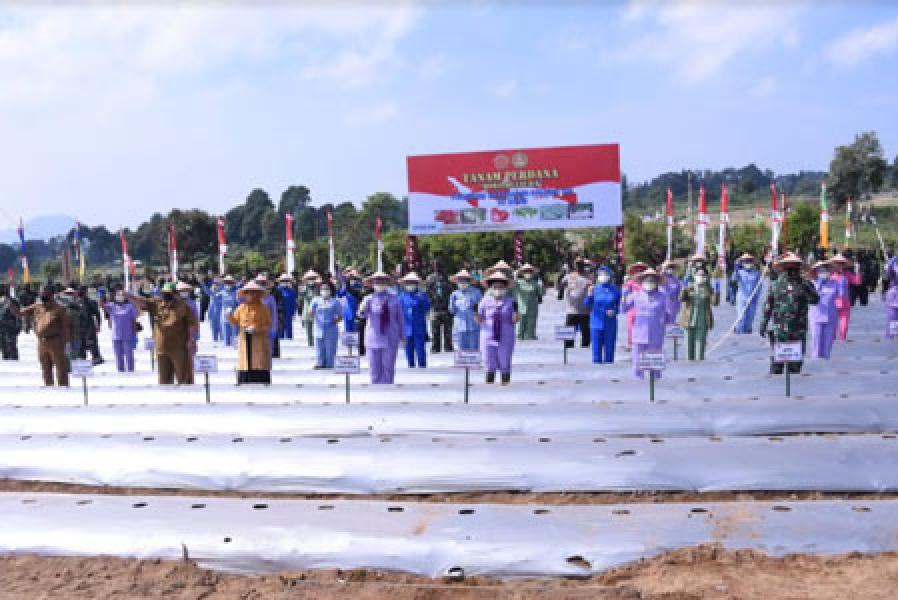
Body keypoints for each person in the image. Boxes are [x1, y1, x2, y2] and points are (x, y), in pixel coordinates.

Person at [759, 252, 819, 375]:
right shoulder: (775, 285)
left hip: (798, 330)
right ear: (783, 268)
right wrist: (763, 324)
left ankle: (793, 391)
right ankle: (776, 392)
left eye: (794, 267)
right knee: (777, 364)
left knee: (795, 366)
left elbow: (815, 300)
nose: (791, 270)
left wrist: (807, 284)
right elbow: (768, 306)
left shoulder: (804, 285)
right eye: (788, 267)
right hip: (780, 330)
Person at [127, 282, 198, 385]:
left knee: (184, 376)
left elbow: (192, 324)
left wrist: (191, 340)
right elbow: (142, 302)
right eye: (164, 293)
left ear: (175, 294)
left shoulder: (183, 306)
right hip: (161, 348)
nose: (166, 295)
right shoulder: (157, 303)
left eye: (169, 293)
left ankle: (185, 397)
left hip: (179, 347)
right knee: (164, 379)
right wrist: (129, 296)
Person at [10, 285, 72, 386]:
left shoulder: (60, 309)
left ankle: (63, 389)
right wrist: (9, 304)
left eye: (45, 292)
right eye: (41, 292)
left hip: (56, 342)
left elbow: (67, 327)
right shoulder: (37, 306)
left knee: (61, 368)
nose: (42, 294)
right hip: (42, 342)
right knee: (45, 368)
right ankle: (49, 388)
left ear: (52, 294)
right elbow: (20, 313)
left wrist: (68, 343)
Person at [620, 269, 670, 379]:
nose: (649, 282)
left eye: (652, 280)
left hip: (656, 335)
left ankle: (656, 390)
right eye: (647, 280)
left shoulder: (662, 296)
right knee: (637, 365)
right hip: (639, 334)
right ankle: (638, 390)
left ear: (656, 282)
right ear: (642, 281)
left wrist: (662, 324)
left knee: (655, 368)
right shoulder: (636, 295)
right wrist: (624, 296)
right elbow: (623, 309)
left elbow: (668, 315)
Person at [358, 272, 404, 384]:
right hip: (373, 337)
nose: (380, 284)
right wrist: (362, 309)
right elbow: (361, 315)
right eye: (377, 282)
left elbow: (400, 319)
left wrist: (402, 336)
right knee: (374, 368)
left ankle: (388, 391)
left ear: (387, 284)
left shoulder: (395, 299)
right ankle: (375, 391)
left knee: (388, 367)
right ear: (373, 284)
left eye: (382, 282)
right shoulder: (368, 299)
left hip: (390, 337)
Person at [477, 271, 519, 384]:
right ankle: (489, 388)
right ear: (490, 288)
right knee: (489, 362)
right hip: (488, 336)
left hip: (505, 336)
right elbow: (479, 319)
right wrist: (475, 314)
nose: (498, 289)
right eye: (495, 287)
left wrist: (515, 312)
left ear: (505, 288)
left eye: (501, 287)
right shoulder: (484, 301)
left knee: (505, 362)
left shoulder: (510, 301)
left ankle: (505, 386)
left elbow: (515, 320)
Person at [228, 281, 272, 384]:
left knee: (259, 359)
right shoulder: (241, 307)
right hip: (244, 335)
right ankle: (245, 379)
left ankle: (259, 378)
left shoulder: (263, 308)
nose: (251, 295)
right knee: (245, 357)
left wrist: (256, 328)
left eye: (253, 292)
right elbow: (235, 321)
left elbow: (267, 324)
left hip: (258, 338)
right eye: (248, 293)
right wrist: (229, 316)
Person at [678, 267, 716, 361]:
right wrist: (684, 287)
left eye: (703, 275)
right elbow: (681, 298)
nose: (701, 277)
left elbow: (714, 302)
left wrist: (716, 292)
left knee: (700, 347)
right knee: (688, 347)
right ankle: (689, 369)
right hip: (689, 320)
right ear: (694, 276)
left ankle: (700, 368)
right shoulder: (690, 287)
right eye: (699, 274)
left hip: (702, 321)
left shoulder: (708, 288)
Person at [585, 265, 620, 364]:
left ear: (610, 275)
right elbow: (587, 304)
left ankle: (610, 375)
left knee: (609, 351)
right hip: (596, 323)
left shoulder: (615, 290)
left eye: (605, 274)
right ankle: (596, 374)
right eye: (601, 274)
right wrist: (589, 295)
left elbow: (620, 306)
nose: (603, 276)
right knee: (596, 351)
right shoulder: (594, 289)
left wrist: (615, 311)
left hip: (610, 324)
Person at [399, 272, 431, 368]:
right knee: (408, 350)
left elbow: (427, 308)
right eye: (408, 283)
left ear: (417, 284)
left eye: (412, 283)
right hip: (406, 328)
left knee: (420, 350)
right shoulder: (401, 296)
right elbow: (398, 312)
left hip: (419, 327)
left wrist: (422, 299)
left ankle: (422, 368)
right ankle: (411, 368)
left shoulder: (422, 295)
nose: (410, 285)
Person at [808, 260, 839, 360]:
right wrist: (819, 284)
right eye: (821, 270)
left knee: (828, 342)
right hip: (816, 316)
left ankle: (826, 359)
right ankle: (815, 358)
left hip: (830, 316)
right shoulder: (812, 283)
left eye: (825, 270)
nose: (823, 272)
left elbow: (840, 295)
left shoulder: (834, 283)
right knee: (816, 339)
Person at [103, 287, 139, 372]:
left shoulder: (130, 306)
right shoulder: (112, 306)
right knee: (118, 355)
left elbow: (133, 320)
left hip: (128, 333)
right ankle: (120, 370)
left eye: (121, 295)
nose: (119, 296)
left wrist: (134, 333)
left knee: (129, 354)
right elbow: (102, 305)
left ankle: (130, 370)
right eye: (118, 295)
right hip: (116, 334)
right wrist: (104, 295)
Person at [561, 258, 593, 349]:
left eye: (581, 264)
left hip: (585, 310)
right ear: (574, 265)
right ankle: (567, 353)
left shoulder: (589, 277)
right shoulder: (569, 276)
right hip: (571, 310)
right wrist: (562, 285)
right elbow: (560, 286)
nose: (579, 266)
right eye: (577, 264)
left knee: (586, 336)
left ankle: (585, 351)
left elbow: (593, 290)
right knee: (568, 338)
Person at [310, 280, 342, 369]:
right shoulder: (315, 300)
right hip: (318, 328)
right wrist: (312, 311)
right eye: (323, 289)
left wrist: (333, 321)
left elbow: (340, 315)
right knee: (319, 348)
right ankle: (319, 363)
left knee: (330, 349)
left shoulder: (335, 301)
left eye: (327, 289)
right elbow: (310, 313)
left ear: (330, 290)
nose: (324, 290)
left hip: (331, 329)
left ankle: (330, 364)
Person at [448, 269, 482, 351]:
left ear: (469, 281)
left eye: (464, 281)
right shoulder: (454, 294)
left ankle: (474, 364)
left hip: (473, 324)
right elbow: (451, 310)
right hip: (460, 325)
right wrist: (453, 304)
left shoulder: (476, 292)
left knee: (474, 349)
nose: (462, 283)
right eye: (460, 281)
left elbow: (481, 307)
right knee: (461, 350)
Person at [425, 262, 454, 353]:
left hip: (446, 309)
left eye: (439, 266)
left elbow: (452, 292)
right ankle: (435, 348)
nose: (437, 268)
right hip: (435, 308)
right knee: (434, 332)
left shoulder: (448, 278)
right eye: (435, 266)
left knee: (448, 333)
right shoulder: (429, 278)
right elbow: (427, 292)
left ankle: (448, 348)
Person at [830, 253, 860, 341]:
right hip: (836, 301)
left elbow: (856, 282)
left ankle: (839, 337)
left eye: (840, 264)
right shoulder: (833, 275)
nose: (839, 265)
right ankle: (838, 337)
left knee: (842, 321)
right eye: (837, 263)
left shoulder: (843, 274)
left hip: (840, 301)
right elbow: (857, 281)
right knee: (838, 321)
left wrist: (857, 271)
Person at [732, 254, 763, 334]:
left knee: (750, 316)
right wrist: (735, 267)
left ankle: (748, 329)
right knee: (741, 316)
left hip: (752, 298)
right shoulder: (740, 272)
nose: (747, 262)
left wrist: (757, 296)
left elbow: (759, 286)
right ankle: (739, 330)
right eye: (745, 261)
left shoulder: (756, 273)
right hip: (742, 297)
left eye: (749, 261)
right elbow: (734, 279)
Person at [622, 262, 649, 350]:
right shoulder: (630, 283)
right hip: (632, 308)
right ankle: (631, 344)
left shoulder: (648, 283)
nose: (639, 272)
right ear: (633, 272)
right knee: (631, 327)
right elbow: (624, 295)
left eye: (641, 270)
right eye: (637, 270)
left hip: (644, 310)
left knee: (644, 328)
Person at [514, 263, 544, 340]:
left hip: (533, 309)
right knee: (520, 329)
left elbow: (542, 293)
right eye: (525, 271)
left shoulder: (536, 283)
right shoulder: (518, 282)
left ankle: (531, 337)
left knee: (531, 329)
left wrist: (540, 281)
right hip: (521, 308)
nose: (528, 273)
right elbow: (511, 284)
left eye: (529, 271)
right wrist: (516, 273)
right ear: (522, 273)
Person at [253, 275, 279, 359]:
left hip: (267, 328)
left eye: (263, 283)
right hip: (255, 328)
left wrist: (274, 329)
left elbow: (274, 314)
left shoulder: (270, 298)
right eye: (259, 283)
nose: (261, 285)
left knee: (267, 352)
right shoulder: (252, 298)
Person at [213, 276, 239, 346]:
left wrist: (238, 299)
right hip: (224, 316)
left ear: (233, 283)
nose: (228, 284)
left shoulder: (236, 292)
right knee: (226, 341)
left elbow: (240, 303)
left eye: (230, 282)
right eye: (227, 282)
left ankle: (236, 347)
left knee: (235, 337)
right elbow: (213, 296)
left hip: (234, 316)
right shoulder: (222, 292)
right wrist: (214, 289)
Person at [299, 270, 321, 347]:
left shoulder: (319, 288)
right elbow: (300, 298)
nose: (311, 280)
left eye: (313, 278)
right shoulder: (304, 288)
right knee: (308, 328)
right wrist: (302, 289)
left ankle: (319, 343)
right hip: (307, 310)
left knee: (318, 328)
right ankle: (310, 343)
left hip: (317, 310)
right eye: (309, 278)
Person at [0, 284, 21, 360]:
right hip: (1, 327)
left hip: (11, 327)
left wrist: (19, 326)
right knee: (3, 348)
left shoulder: (14, 301)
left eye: (5, 289)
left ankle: (15, 364)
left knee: (12, 346)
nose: (3, 291)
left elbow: (19, 314)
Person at [658, 260, 682, 326]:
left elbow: (679, 293)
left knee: (672, 325)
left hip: (674, 305)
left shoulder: (676, 280)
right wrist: (663, 268)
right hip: (663, 304)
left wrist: (678, 305)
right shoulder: (661, 277)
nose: (670, 269)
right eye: (668, 267)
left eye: (671, 268)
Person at [882, 256, 898, 339]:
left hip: (893, 296)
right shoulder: (893, 264)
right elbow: (888, 273)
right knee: (892, 322)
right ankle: (891, 338)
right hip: (893, 298)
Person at [204, 278, 223, 342]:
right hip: (212, 315)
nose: (215, 285)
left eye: (217, 284)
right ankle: (215, 340)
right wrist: (201, 282)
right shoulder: (211, 293)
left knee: (222, 330)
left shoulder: (222, 293)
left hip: (221, 315)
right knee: (214, 330)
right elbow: (206, 290)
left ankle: (223, 341)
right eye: (214, 284)